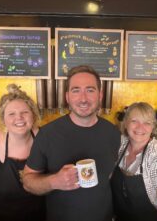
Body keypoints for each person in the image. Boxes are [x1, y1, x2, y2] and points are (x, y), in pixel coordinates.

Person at [23, 65, 121, 221]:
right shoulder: (48, 134)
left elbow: (109, 176)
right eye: (76, 90)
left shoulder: (113, 133)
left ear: (100, 95)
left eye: (90, 90)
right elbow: (27, 181)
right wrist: (54, 181)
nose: (83, 98)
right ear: (67, 97)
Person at [0, 84, 45, 221]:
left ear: (33, 115)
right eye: (11, 114)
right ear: (2, 119)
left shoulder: (46, 139)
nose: (19, 118)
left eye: (25, 112)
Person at [111, 102, 157, 221]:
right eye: (134, 121)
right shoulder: (121, 145)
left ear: (153, 127)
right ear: (125, 123)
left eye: (147, 123)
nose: (140, 127)